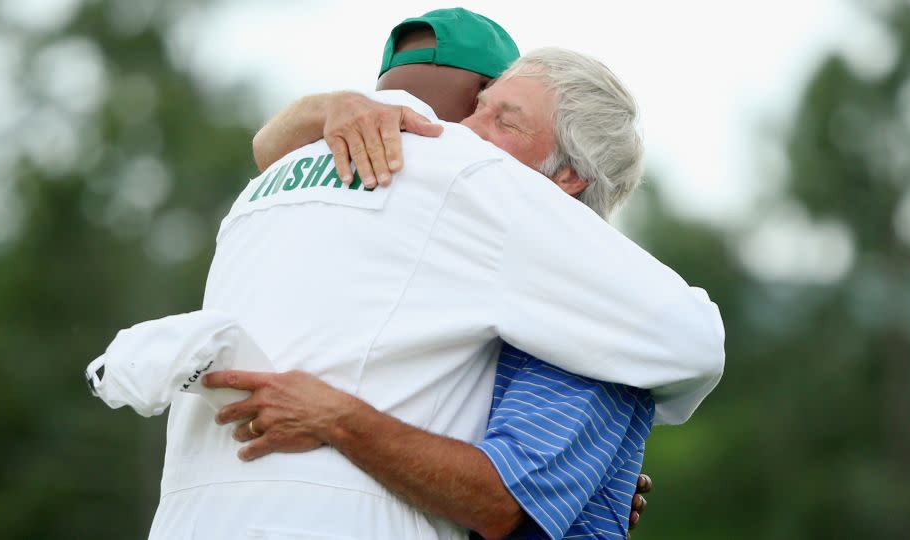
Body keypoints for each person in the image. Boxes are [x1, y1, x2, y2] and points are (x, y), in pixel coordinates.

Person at [147, 16, 724, 540]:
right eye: (475, 109)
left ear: (569, 176)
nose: (459, 135)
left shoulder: (595, 321)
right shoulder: (443, 234)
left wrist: (339, 417)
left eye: (502, 117)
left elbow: (503, 503)